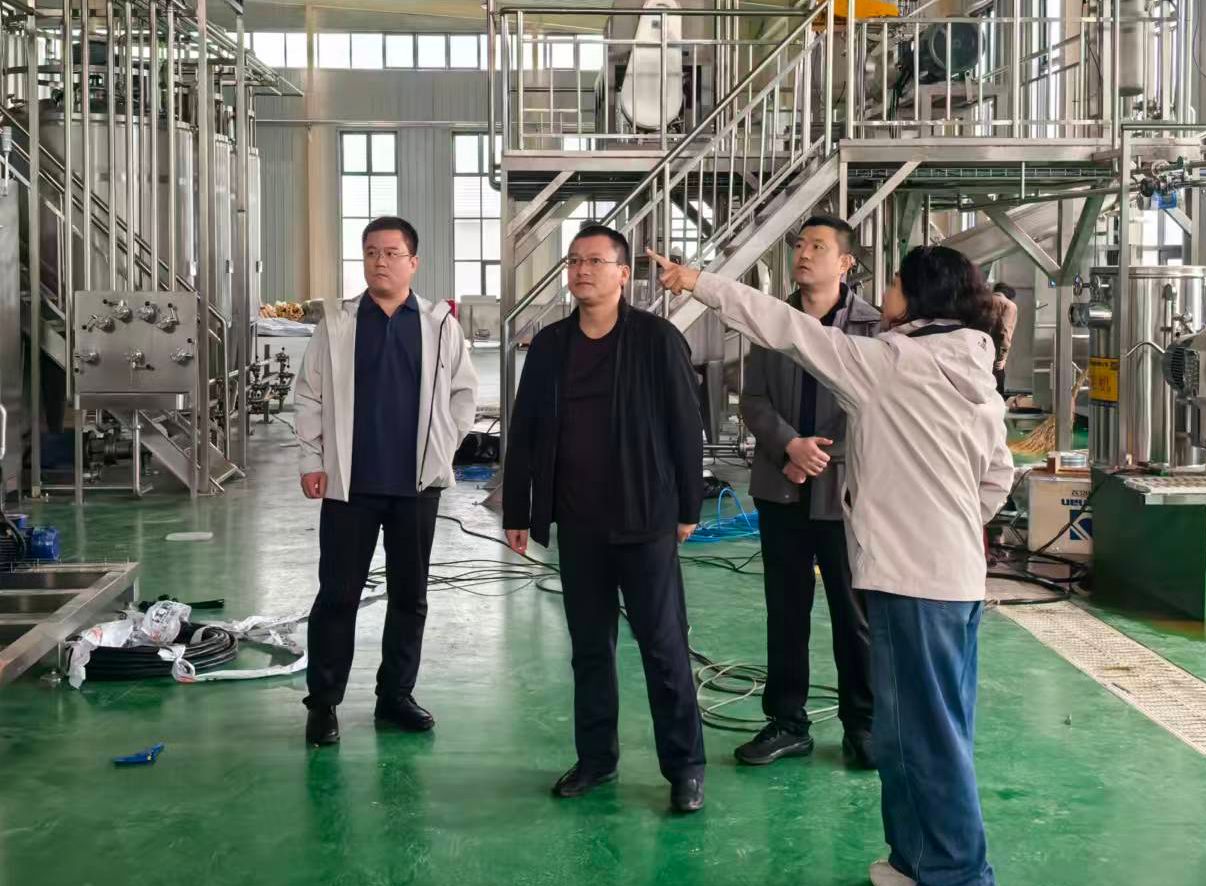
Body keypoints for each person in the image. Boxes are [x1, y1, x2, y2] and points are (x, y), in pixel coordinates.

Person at [651, 245, 1012, 886]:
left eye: (895, 283)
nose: (886, 293)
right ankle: (915, 861)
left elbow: (784, 327)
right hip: (955, 575)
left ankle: (959, 874)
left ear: (917, 296)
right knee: (915, 731)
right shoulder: (977, 372)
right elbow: (997, 479)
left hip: (910, 581)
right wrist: (946, 526)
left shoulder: (888, 364)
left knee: (926, 738)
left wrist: (699, 282)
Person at [501, 225, 708, 814]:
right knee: (590, 649)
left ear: (622, 274)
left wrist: (688, 506)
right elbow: (525, 431)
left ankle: (685, 768)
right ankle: (596, 759)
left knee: (663, 649)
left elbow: (685, 426)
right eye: (574, 261)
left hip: (644, 521)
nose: (582, 270)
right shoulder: (550, 345)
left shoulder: (656, 339)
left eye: (595, 261)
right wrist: (519, 509)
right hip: (578, 525)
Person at [295, 216, 480, 746]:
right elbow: (308, 394)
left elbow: (463, 394)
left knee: (409, 596)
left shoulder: (439, 324)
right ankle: (323, 703)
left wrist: (441, 450)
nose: (381, 261)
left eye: (392, 253)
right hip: (349, 485)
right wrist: (311, 459)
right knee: (338, 596)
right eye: (371, 252)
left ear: (413, 262)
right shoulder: (338, 323)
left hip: (415, 486)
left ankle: (395, 696)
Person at [734, 215, 880, 769]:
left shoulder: (873, 328)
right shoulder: (773, 321)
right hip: (782, 488)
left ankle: (863, 725)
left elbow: (877, 403)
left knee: (854, 612)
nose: (804, 253)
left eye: (818, 246)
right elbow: (752, 400)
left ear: (845, 262)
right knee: (786, 610)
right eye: (799, 244)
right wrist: (790, 446)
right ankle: (787, 722)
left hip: (846, 492)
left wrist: (821, 453)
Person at [990, 282, 1018, 397]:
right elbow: (1005, 333)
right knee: (997, 386)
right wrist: (1002, 358)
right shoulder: (1009, 305)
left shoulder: (981, 301)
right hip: (995, 351)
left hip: (976, 348)